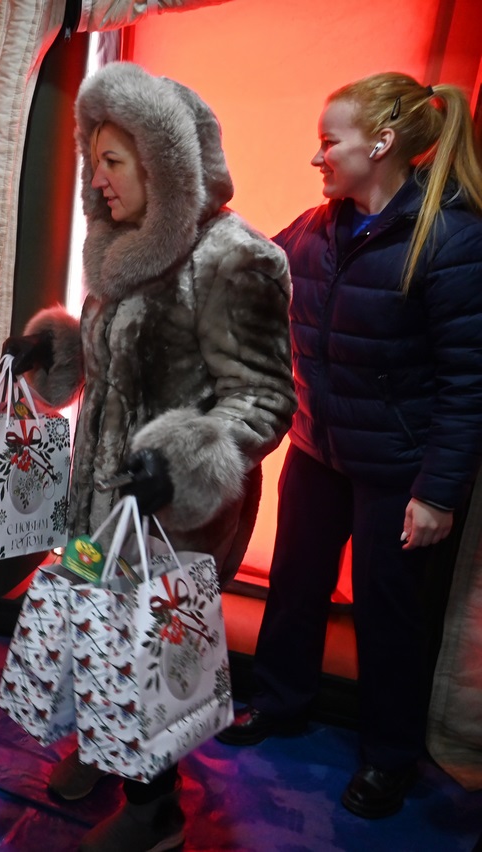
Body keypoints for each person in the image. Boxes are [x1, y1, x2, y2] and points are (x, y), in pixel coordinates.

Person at [4, 62, 296, 851]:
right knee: (94, 627)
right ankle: (103, 750)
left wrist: (181, 464)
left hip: (174, 517)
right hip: (99, 501)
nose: (96, 180)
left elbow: (265, 400)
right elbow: (117, 362)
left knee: (148, 653)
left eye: (113, 161)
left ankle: (154, 808)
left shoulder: (235, 258)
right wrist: (54, 347)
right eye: (92, 160)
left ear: (164, 165)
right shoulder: (120, 247)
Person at [216, 73, 482, 820]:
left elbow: (469, 384)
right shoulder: (316, 226)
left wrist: (436, 494)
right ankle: (282, 700)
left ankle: (389, 756)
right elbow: (251, 270)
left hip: (399, 468)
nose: (317, 157)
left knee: (388, 614)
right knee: (295, 583)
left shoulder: (453, 240)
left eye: (329, 142)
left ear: (383, 144)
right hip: (318, 449)